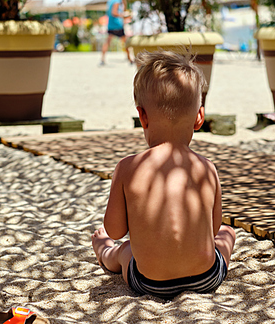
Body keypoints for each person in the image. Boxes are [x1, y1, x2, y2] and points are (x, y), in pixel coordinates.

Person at [92, 51, 236, 299]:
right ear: (199, 118)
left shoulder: (128, 168)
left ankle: (104, 253)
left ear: (143, 117)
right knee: (227, 234)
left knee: (124, 250)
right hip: (206, 278)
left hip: (150, 282)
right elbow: (212, 230)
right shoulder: (207, 168)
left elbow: (114, 230)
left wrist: (114, 239)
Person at [101, 0, 133, 65]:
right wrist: (123, 15)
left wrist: (124, 3)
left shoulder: (110, 1)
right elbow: (114, 13)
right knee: (125, 42)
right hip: (117, 25)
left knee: (107, 42)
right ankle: (130, 59)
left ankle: (102, 59)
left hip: (110, 25)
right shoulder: (117, 1)